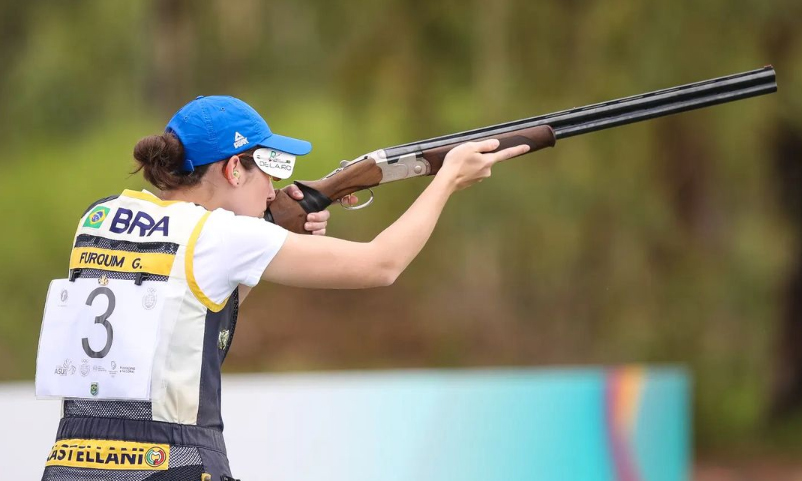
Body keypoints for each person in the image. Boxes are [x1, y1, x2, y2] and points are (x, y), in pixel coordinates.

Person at [36, 95, 529, 480]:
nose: (273, 191)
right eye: (268, 172)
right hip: (174, 463)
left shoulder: (98, 218)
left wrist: (275, 235)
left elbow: (194, 314)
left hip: (73, 462)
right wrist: (445, 181)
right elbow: (382, 264)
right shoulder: (224, 236)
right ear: (233, 169)